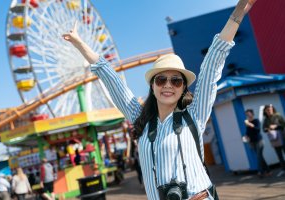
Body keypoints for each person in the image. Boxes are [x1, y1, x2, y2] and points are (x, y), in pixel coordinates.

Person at [63, 0, 257, 199]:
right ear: (152, 85)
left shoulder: (195, 114)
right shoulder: (140, 117)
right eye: (162, 79)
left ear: (183, 88)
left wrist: (237, 14)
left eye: (176, 81)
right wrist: (78, 42)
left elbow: (213, 61)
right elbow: (109, 77)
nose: (168, 85)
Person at [244, 109, 271, 178]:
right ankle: (268, 171)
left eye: (249, 113)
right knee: (260, 157)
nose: (248, 115)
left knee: (259, 156)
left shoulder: (256, 120)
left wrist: (249, 124)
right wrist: (246, 136)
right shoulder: (248, 122)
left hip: (259, 141)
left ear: (252, 114)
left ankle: (260, 172)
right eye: (246, 114)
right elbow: (248, 132)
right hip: (252, 142)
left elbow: (258, 129)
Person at [262, 104, 285, 177]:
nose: (269, 111)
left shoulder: (278, 115)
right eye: (267, 110)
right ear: (265, 111)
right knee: (279, 155)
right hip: (274, 139)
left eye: (270, 109)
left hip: (282, 137)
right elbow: (264, 129)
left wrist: (276, 126)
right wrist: (268, 129)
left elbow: (284, 125)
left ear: (273, 109)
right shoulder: (266, 119)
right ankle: (283, 170)